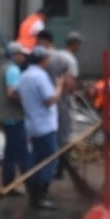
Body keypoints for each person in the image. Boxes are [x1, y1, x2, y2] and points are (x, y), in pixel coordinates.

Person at [16, 46, 63, 210]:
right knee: (50, 159)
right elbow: (49, 99)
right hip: (45, 125)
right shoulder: (40, 77)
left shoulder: (24, 76)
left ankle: (34, 193)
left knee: (35, 160)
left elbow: (17, 95)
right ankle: (41, 194)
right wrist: (59, 87)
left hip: (31, 124)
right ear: (43, 60)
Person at [0, 41, 31, 195]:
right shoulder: (13, 70)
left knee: (10, 153)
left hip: (5, 115)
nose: (24, 58)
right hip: (14, 116)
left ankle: (7, 185)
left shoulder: (2, 69)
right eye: (22, 54)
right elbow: (12, 92)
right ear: (15, 55)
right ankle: (32, 186)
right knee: (23, 154)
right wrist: (27, 103)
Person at [46, 32, 83, 180]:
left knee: (55, 133)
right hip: (64, 100)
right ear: (74, 44)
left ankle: (57, 167)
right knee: (64, 135)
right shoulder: (70, 60)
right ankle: (60, 168)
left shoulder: (57, 55)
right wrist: (74, 90)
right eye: (79, 44)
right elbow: (70, 83)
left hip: (52, 98)